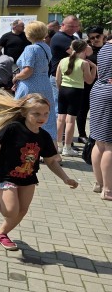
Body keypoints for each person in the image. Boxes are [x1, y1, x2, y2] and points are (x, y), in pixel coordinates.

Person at [0, 92, 78, 251]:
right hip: (7, 175)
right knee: (10, 211)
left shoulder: (44, 136)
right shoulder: (13, 128)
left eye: (46, 114)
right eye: (36, 114)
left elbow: (50, 161)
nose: (42, 117)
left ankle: (2, 233)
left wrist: (65, 178)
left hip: (28, 178)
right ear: (24, 113)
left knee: (22, 210)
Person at [12, 21, 57, 144]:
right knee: (45, 116)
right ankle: (50, 146)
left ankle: (14, 141)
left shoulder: (31, 48)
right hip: (45, 83)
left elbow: (28, 71)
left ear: (29, 33)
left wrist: (16, 77)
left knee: (21, 114)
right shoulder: (46, 47)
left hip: (30, 84)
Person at [56, 39, 96, 157]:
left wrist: (60, 89)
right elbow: (89, 81)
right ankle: (67, 147)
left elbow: (57, 79)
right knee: (70, 121)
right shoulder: (84, 63)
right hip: (76, 91)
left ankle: (58, 145)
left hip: (63, 89)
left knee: (60, 119)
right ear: (84, 50)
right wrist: (94, 68)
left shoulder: (63, 60)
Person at [89, 34, 112, 199]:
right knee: (110, 145)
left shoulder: (105, 47)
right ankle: (108, 189)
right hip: (109, 94)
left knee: (99, 142)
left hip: (99, 91)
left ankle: (99, 183)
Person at [77, 27, 105, 143]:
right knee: (83, 109)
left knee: (100, 111)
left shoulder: (107, 49)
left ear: (102, 36)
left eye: (97, 36)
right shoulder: (87, 50)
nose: (95, 39)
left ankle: (98, 134)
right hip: (87, 84)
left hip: (103, 85)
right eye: (92, 38)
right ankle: (82, 134)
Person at [49, 15, 81, 107]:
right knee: (59, 108)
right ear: (62, 25)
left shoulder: (73, 38)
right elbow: (79, 55)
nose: (74, 28)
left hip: (69, 77)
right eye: (71, 26)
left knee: (69, 108)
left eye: (76, 26)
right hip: (59, 77)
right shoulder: (60, 37)